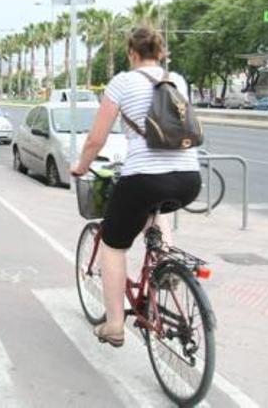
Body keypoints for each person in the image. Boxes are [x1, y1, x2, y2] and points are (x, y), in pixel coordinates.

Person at [70, 26, 201, 348]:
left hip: (143, 178)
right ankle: (166, 264)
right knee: (160, 210)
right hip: (188, 178)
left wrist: (80, 167)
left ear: (132, 53)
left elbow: (96, 139)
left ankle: (114, 324)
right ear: (161, 52)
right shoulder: (177, 80)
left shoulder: (122, 82)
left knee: (114, 246)